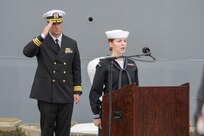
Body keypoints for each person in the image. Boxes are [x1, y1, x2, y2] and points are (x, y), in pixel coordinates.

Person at [23, 9, 82, 136]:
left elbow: (76, 68)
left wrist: (77, 90)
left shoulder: (71, 43)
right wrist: (42, 35)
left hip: (65, 93)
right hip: (46, 94)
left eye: (58, 23)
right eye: (53, 24)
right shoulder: (41, 41)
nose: (56, 26)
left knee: (64, 131)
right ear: (48, 24)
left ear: (62, 23)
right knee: (47, 130)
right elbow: (27, 52)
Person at [89, 29, 139, 136]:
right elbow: (95, 92)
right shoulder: (104, 65)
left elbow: (137, 89)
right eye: (119, 41)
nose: (123, 44)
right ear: (110, 43)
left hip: (129, 111)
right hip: (110, 111)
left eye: (125, 41)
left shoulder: (132, 64)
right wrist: (96, 116)